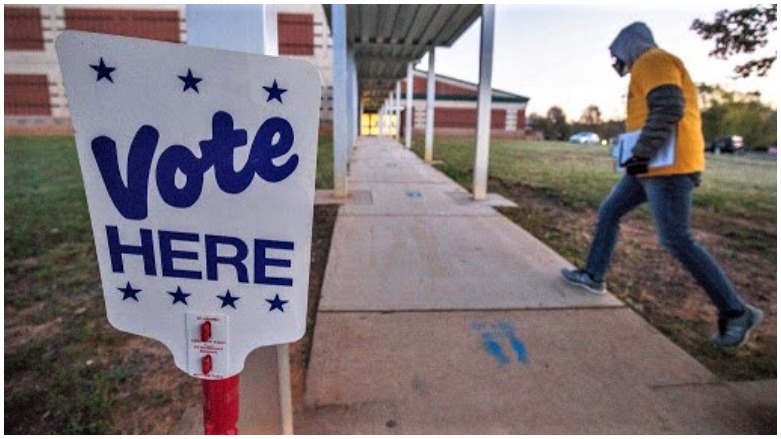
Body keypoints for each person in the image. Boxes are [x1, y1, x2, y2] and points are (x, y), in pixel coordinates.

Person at [561, 22, 763, 348]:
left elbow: (669, 107)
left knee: (676, 239)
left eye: (616, 55)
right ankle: (593, 275)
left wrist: (639, 154)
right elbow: (650, 114)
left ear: (628, 45)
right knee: (611, 210)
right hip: (650, 165)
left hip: (668, 168)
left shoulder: (653, 61)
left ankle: (736, 311)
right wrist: (632, 152)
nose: (616, 63)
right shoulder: (646, 67)